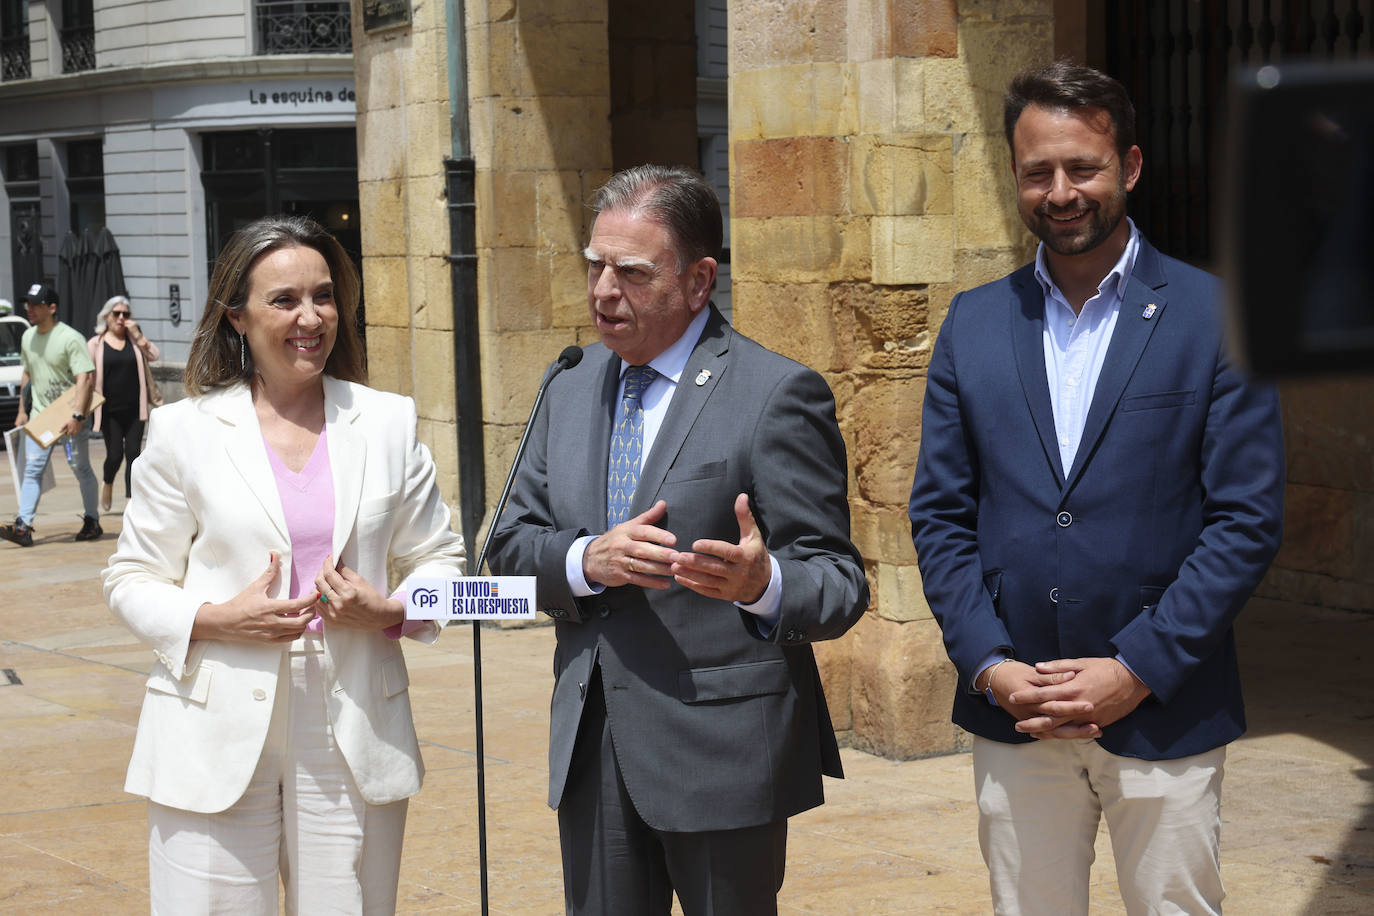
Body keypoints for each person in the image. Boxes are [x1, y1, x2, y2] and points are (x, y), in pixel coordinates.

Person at [908, 61, 1286, 915]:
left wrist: (1137, 667)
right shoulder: (973, 322)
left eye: (1084, 167)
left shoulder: (1215, 315)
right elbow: (939, 514)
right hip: (1019, 714)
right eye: (1039, 171)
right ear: (1015, 177)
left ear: (1132, 167)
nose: (1062, 190)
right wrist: (989, 664)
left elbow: (1246, 519)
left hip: (1165, 710)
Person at [487, 165, 869, 916]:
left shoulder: (775, 393)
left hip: (723, 752)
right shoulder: (567, 384)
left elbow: (839, 581)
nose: (603, 290)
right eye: (594, 266)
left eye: (631, 272)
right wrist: (585, 560)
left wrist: (763, 586)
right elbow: (508, 544)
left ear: (699, 281)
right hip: (593, 743)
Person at [102, 215, 466, 914]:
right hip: (211, 722)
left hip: (351, 718)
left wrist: (391, 610)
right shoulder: (184, 430)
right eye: (285, 300)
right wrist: (215, 618)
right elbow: (131, 577)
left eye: (324, 296)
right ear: (235, 316)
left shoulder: (387, 422)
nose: (311, 317)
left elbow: (439, 560)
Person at [1, 283, 101, 547]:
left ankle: (92, 520)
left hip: (70, 415)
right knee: (32, 469)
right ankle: (23, 526)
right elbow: (27, 373)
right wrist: (23, 410)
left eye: (35, 304)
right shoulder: (27, 337)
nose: (29, 309)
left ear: (52, 308)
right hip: (41, 416)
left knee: (79, 467)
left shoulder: (70, 338)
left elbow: (84, 378)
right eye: (27, 304)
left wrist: (78, 416)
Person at [88, 294, 160, 512]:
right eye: (116, 313)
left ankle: (131, 500)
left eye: (125, 314)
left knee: (133, 455)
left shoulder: (134, 341)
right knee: (114, 455)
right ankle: (108, 481)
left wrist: (138, 334)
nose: (121, 318)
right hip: (109, 410)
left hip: (135, 409)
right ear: (107, 316)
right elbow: (86, 377)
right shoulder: (95, 344)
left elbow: (154, 355)